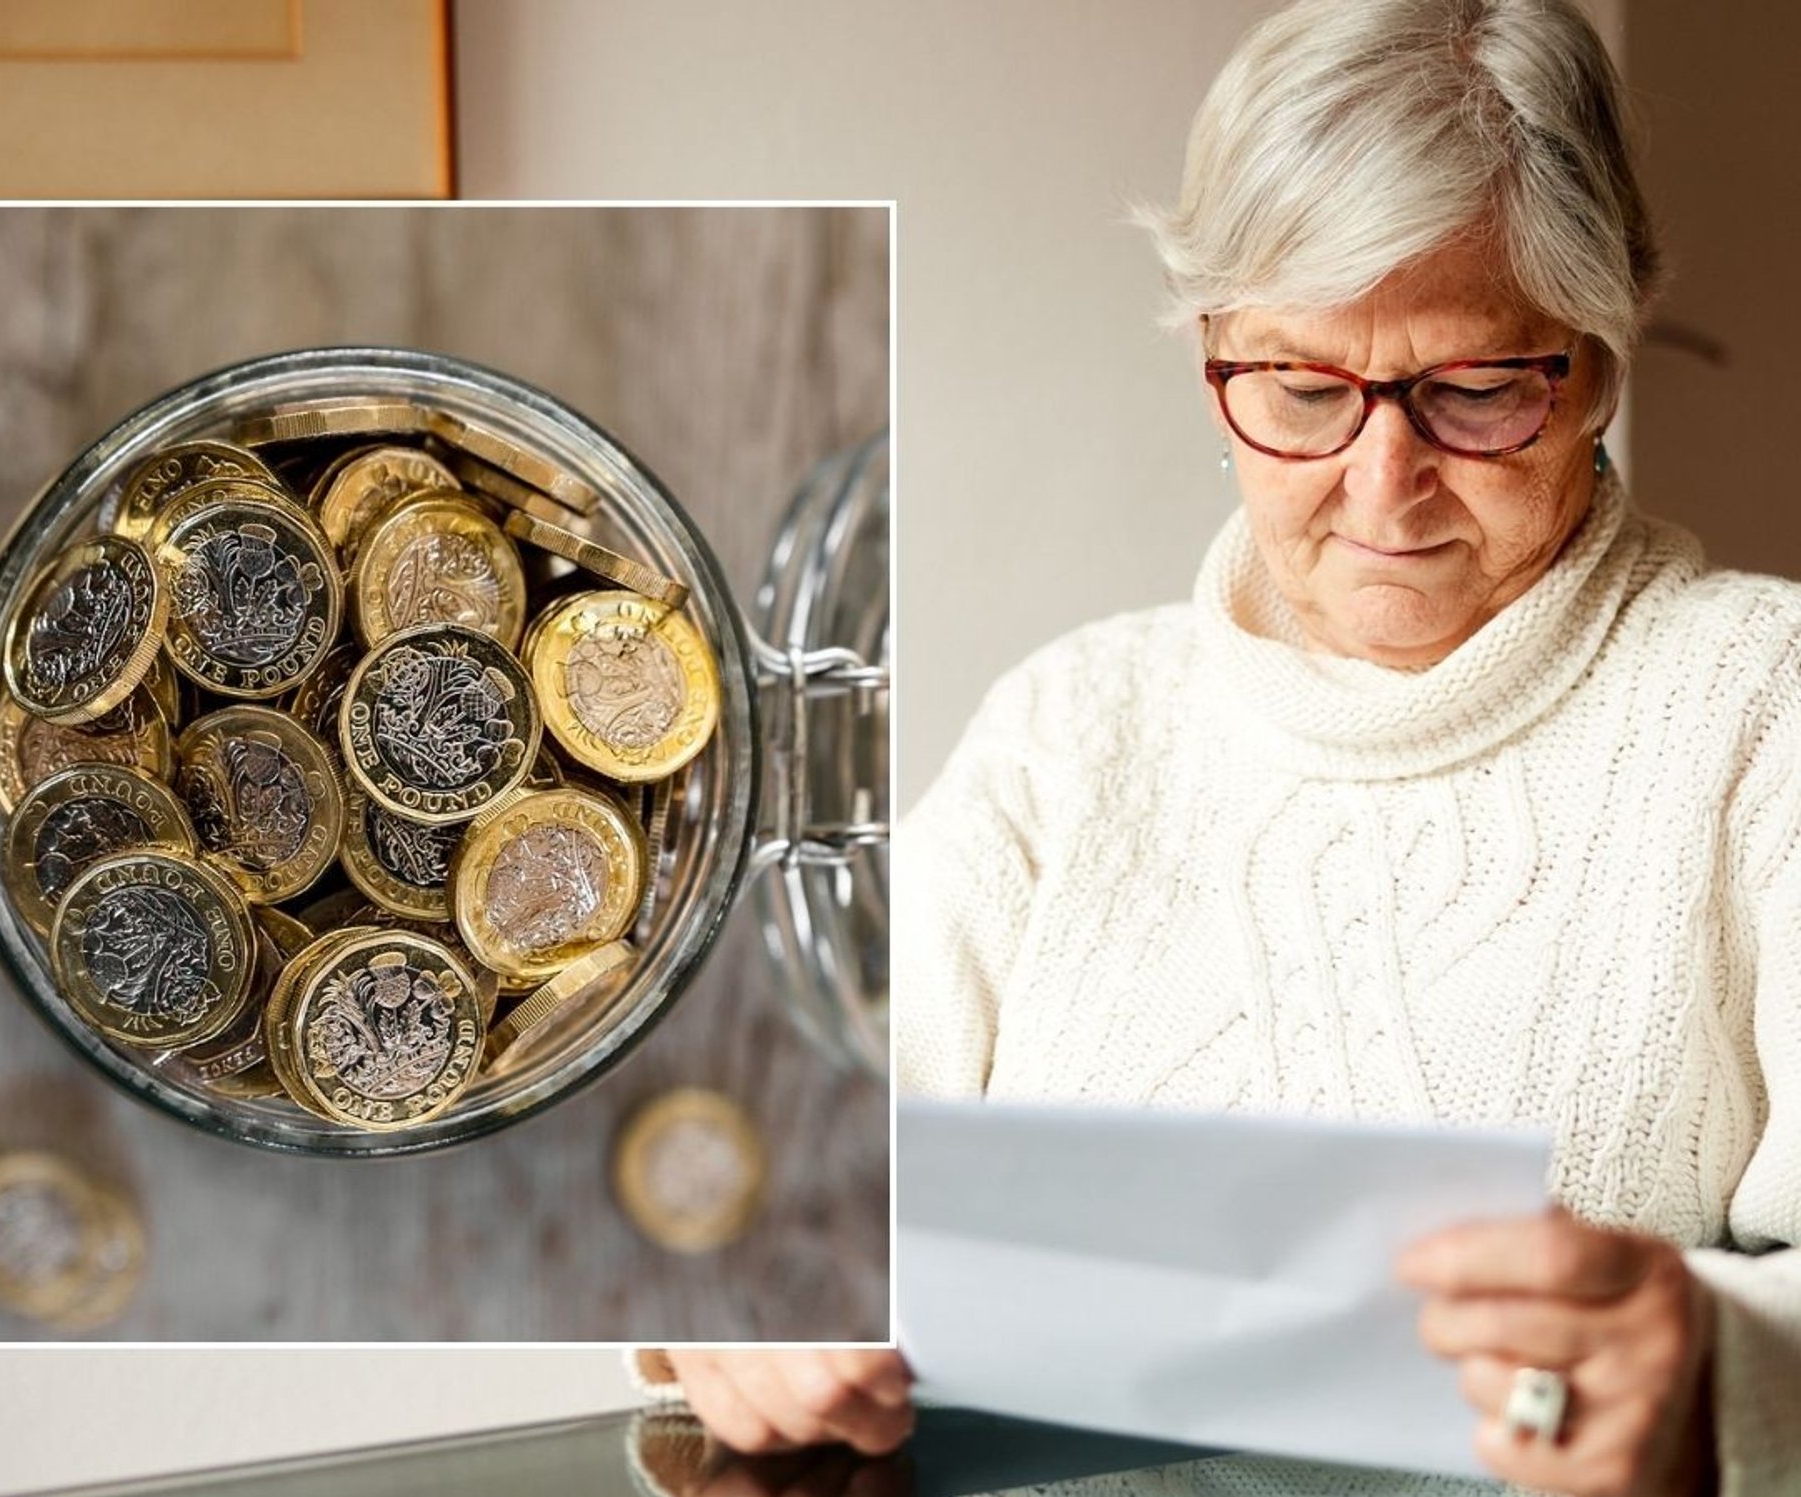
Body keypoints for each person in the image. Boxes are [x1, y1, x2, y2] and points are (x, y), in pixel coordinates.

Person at [639, 1, 1801, 1492]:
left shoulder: (1761, 707)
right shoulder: (1074, 733)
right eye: (1307, 389)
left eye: (1475, 392)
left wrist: (1721, 1372)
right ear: (1216, 361)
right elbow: (733, 1157)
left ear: (1598, 365)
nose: (1385, 487)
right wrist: (717, 1302)